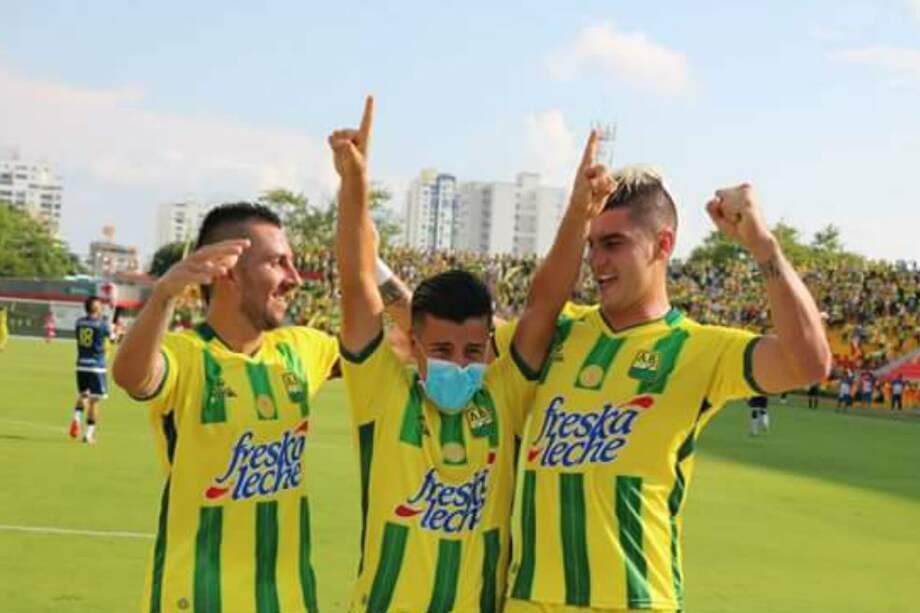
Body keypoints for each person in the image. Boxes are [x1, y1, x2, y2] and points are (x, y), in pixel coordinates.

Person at [329, 97, 614, 613]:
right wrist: (354, 188)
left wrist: (578, 213)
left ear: (490, 346)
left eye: (471, 351)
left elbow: (544, 307)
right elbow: (356, 286)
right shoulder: (381, 394)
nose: (459, 364)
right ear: (413, 345)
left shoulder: (503, 396)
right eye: (441, 349)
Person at [500, 171, 830, 612]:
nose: (597, 261)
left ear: (664, 244)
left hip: (635, 600)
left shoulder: (698, 348)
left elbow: (807, 362)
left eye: (614, 244)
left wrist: (762, 245)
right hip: (529, 599)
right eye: (592, 245)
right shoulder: (557, 331)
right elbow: (437, 331)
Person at [112, 201, 411, 613]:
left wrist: (373, 270)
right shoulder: (187, 355)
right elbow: (132, 376)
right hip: (197, 600)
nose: (294, 279)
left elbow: (415, 340)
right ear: (228, 270)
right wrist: (164, 293)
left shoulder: (301, 349)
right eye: (278, 263)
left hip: (287, 601)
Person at [69, 296, 114, 443]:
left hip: (81, 364)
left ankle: (76, 418)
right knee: (94, 401)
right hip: (96, 366)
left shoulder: (79, 322)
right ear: (97, 307)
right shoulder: (102, 325)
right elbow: (112, 339)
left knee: (83, 395)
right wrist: (114, 330)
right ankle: (88, 435)